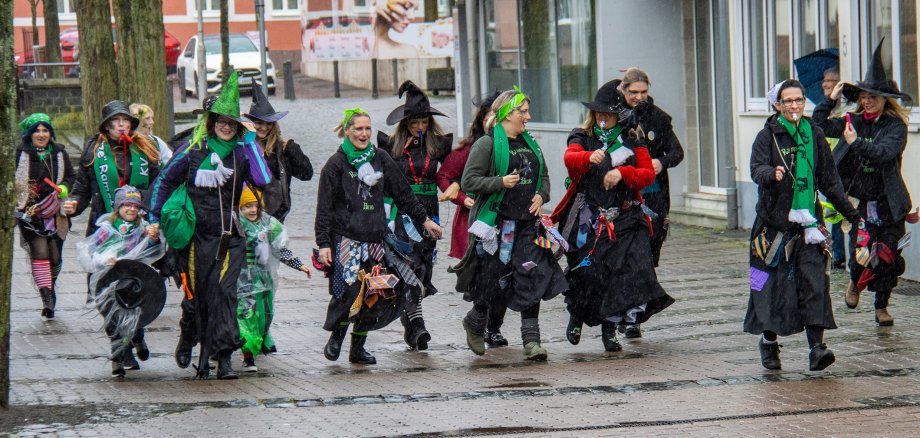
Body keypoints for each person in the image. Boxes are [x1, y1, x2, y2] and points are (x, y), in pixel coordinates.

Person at [149, 71, 272, 379]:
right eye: (221, 122)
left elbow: (263, 179)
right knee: (197, 299)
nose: (226, 128)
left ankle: (224, 357)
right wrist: (153, 217)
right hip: (195, 238)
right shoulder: (193, 151)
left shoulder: (243, 151)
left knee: (225, 296)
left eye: (231, 123)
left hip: (230, 237)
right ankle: (188, 337)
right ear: (212, 123)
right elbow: (164, 181)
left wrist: (250, 140)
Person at [746, 79, 862, 371]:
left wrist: (852, 215)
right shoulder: (767, 136)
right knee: (768, 287)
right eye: (789, 101)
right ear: (778, 105)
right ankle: (769, 342)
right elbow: (755, 168)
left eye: (799, 100)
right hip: (772, 227)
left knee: (814, 284)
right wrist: (769, 174)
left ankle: (816, 348)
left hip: (810, 227)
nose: (795, 106)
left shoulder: (815, 134)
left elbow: (830, 182)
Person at [550, 79, 674, 352]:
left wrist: (623, 172)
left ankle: (610, 330)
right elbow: (570, 158)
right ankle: (577, 316)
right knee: (587, 272)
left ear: (619, 114)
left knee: (619, 275)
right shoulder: (581, 136)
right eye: (599, 113)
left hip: (625, 218)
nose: (603, 117)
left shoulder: (632, 140)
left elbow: (645, 174)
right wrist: (586, 158)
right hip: (588, 216)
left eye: (608, 113)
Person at [315, 108, 443, 365]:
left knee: (375, 296)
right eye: (358, 129)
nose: (364, 134)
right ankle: (337, 338)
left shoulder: (381, 158)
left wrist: (425, 220)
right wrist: (324, 244)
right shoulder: (336, 165)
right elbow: (324, 209)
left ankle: (358, 348)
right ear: (347, 131)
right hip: (347, 242)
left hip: (377, 241)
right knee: (348, 293)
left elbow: (404, 195)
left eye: (367, 128)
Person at [451, 87, 566, 361]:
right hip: (498, 226)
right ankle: (476, 322)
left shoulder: (531, 144)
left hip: (528, 225)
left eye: (527, 111)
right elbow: (468, 182)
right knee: (493, 281)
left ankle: (532, 342)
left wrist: (541, 194)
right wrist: (499, 182)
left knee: (533, 276)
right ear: (507, 114)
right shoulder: (487, 144)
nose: (528, 116)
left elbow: (545, 177)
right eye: (523, 112)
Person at [813, 40, 912, 327]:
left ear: (885, 100)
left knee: (888, 256)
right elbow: (818, 123)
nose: (868, 101)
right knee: (862, 253)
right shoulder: (852, 120)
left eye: (874, 97)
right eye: (865, 96)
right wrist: (830, 99)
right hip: (859, 202)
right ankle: (855, 283)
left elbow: (884, 153)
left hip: (889, 201)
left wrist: (857, 144)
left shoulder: (895, 126)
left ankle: (881, 307)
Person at [63, 100, 162, 306]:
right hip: (106, 226)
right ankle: (115, 330)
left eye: (125, 120)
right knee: (106, 286)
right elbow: (82, 189)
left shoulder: (145, 149)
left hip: (137, 227)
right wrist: (73, 203)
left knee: (136, 282)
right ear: (107, 126)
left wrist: (139, 204)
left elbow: (158, 186)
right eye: (115, 121)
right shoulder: (94, 151)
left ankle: (136, 334)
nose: (121, 125)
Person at [378, 80, 453, 350]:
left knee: (422, 267)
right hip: (401, 211)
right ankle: (418, 326)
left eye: (424, 122)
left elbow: (451, 172)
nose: (420, 127)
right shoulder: (391, 146)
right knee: (405, 264)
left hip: (429, 210)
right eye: (414, 122)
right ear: (405, 123)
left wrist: (454, 186)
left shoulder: (439, 145)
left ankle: (410, 324)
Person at [436, 91, 510, 348]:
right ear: (483, 118)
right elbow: (445, 176)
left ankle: (493, 326)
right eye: (491, 115)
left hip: (505, 218)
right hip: (476, 218)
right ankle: (481, 323)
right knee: (483, 274)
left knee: (503, 275)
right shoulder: (471, 148)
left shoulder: (515, 144)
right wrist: (464, 199)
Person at [617, 68, 684, 339]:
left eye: (644, 92)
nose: (639, 97)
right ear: (623, 90)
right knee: (630, 256)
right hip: (623, 196)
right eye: (633, 92)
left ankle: (634, 311)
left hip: (653, 197)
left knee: (646, 256)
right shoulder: (613, 116)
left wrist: (661, 161)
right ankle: (630, 314)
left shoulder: (658, 118)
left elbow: (677, 152)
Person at [76, 186, 165, 377]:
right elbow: (92, 251)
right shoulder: (106, 229)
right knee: (114, 320)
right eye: (127, 205)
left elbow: (152, 249)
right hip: (111, 281)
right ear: (118, 207)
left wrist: (153, 238)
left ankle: (138, 338)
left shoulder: (143, 228)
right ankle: (117, 359)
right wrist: (104, 260)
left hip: (135, 280)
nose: (132, 209)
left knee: (136, 316)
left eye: (135, 206)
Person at [236, 185, 311, 372]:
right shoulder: (235, 226)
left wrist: (299, 265)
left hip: (265, 280)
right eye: (247, 207)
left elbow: (280, 248)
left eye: (255, 206)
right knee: (246, 317)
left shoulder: (269, 225)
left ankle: (261, 341)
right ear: (240, 208)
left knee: (266, 317)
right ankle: (248, 356)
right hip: (242, 282)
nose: (252, 210)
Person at [14, 113, 76, 319]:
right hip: (29, 213)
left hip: (55, 212)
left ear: (50, 133)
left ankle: (50, 283)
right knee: (40, 252)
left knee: (55, 255)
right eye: (37, 131)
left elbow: (70, 176)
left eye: (45, 130)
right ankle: (47, 297)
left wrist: (64, 188)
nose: (41, 135)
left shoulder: (59, 153)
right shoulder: (20, 154)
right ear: (30, 134)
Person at [244, 85, 313, 222]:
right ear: (250, 124)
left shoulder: (284, 149)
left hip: (276, 215)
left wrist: (292, 150)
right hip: (246, 212)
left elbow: (307, 174)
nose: (264, 127)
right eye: (258, 123)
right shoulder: (243, 148)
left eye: (269, 123)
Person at [817, 66, 850, 269]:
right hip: (828, 169)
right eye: (823, 80)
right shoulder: (823, 108)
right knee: (832, 214)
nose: (824, 84)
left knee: (841, 212)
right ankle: (837, 253)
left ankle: (840, 256)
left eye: (829, 80)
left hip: (842, 170)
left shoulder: (845, 112)